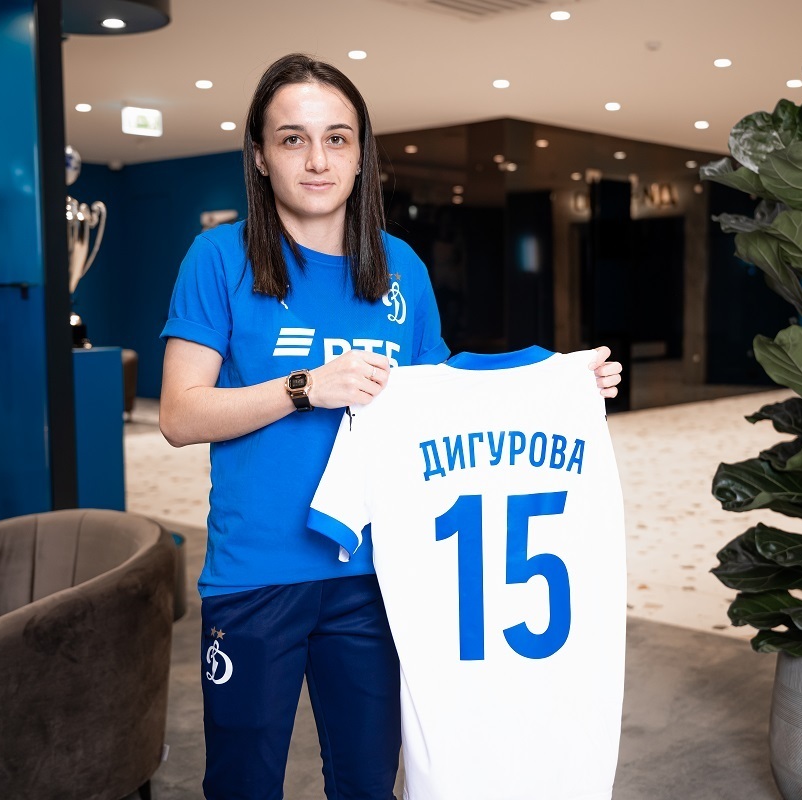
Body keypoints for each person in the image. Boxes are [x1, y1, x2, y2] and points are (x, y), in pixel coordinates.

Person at [159, 52, 622, 800]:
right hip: (256, 574)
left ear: (361, 154)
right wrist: (307, 387)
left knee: (369, 784)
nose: (317, 160)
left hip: (380, 577)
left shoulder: (400, 265)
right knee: (242, 784)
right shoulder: (218, 257)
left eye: (337, 138)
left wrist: (558, 381)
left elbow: (439, 398)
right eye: (293, 139)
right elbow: (180, 414)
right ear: (260, 155)